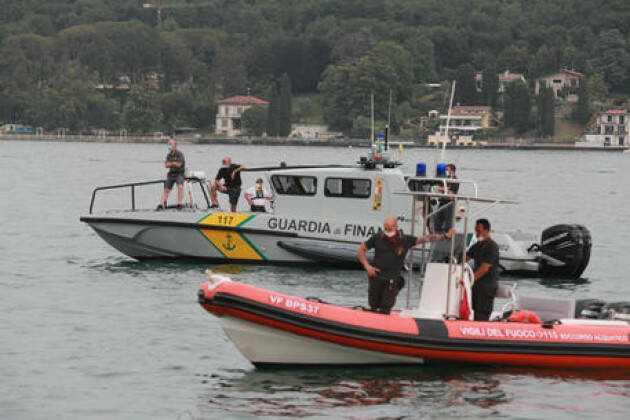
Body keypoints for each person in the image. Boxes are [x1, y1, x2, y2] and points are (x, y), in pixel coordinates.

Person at [357, 216, 455, 314]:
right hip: (376, 275)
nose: (387, 231)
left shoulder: (404, 239)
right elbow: (361, 249)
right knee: (373, 304)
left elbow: (425, 239)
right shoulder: (377, 237)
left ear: (396, 227)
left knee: (385, 306)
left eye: (390, 229)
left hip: (392, 278)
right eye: (385, 228)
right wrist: (367, 266)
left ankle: (391, 299)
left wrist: (445, 236)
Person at [466, 218, 500, 321]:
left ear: (487, 230)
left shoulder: (492, 247)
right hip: (476, 286)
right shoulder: (477, 246)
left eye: (479, 231)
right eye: (476, 230)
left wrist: (470, 281)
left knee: (481, 315)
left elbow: (484, 268)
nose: (476, 233)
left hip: (486, 286)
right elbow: (464, 258)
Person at [157, 138, 185, 210]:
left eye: (171, 144)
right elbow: (166, 165)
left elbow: (179, 165)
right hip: (171, 174)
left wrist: (171, 163)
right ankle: (161, 204)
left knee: (180, 187)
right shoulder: (168, 155)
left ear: (175, 145)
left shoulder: (180, 154)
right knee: (166, 190)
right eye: (169, 144)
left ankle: (179, 204)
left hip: (179, 173)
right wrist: (173, 163)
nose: (169, 146)